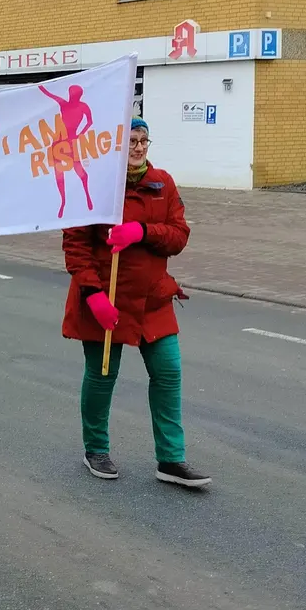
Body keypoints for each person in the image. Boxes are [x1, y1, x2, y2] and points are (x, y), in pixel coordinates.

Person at [62, 118, 208, 488]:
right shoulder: (95, 184)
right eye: (131, 141)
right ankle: (95, 448)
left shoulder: (163, 184)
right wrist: (94, 296)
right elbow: (75, 247)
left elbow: (178, 236)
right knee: (101, 376)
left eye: (144, 140)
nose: (139, 147)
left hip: (153, 299)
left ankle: (171, 460)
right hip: (106, 298)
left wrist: (142, 231)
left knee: (168, 373)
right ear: (116, 145)